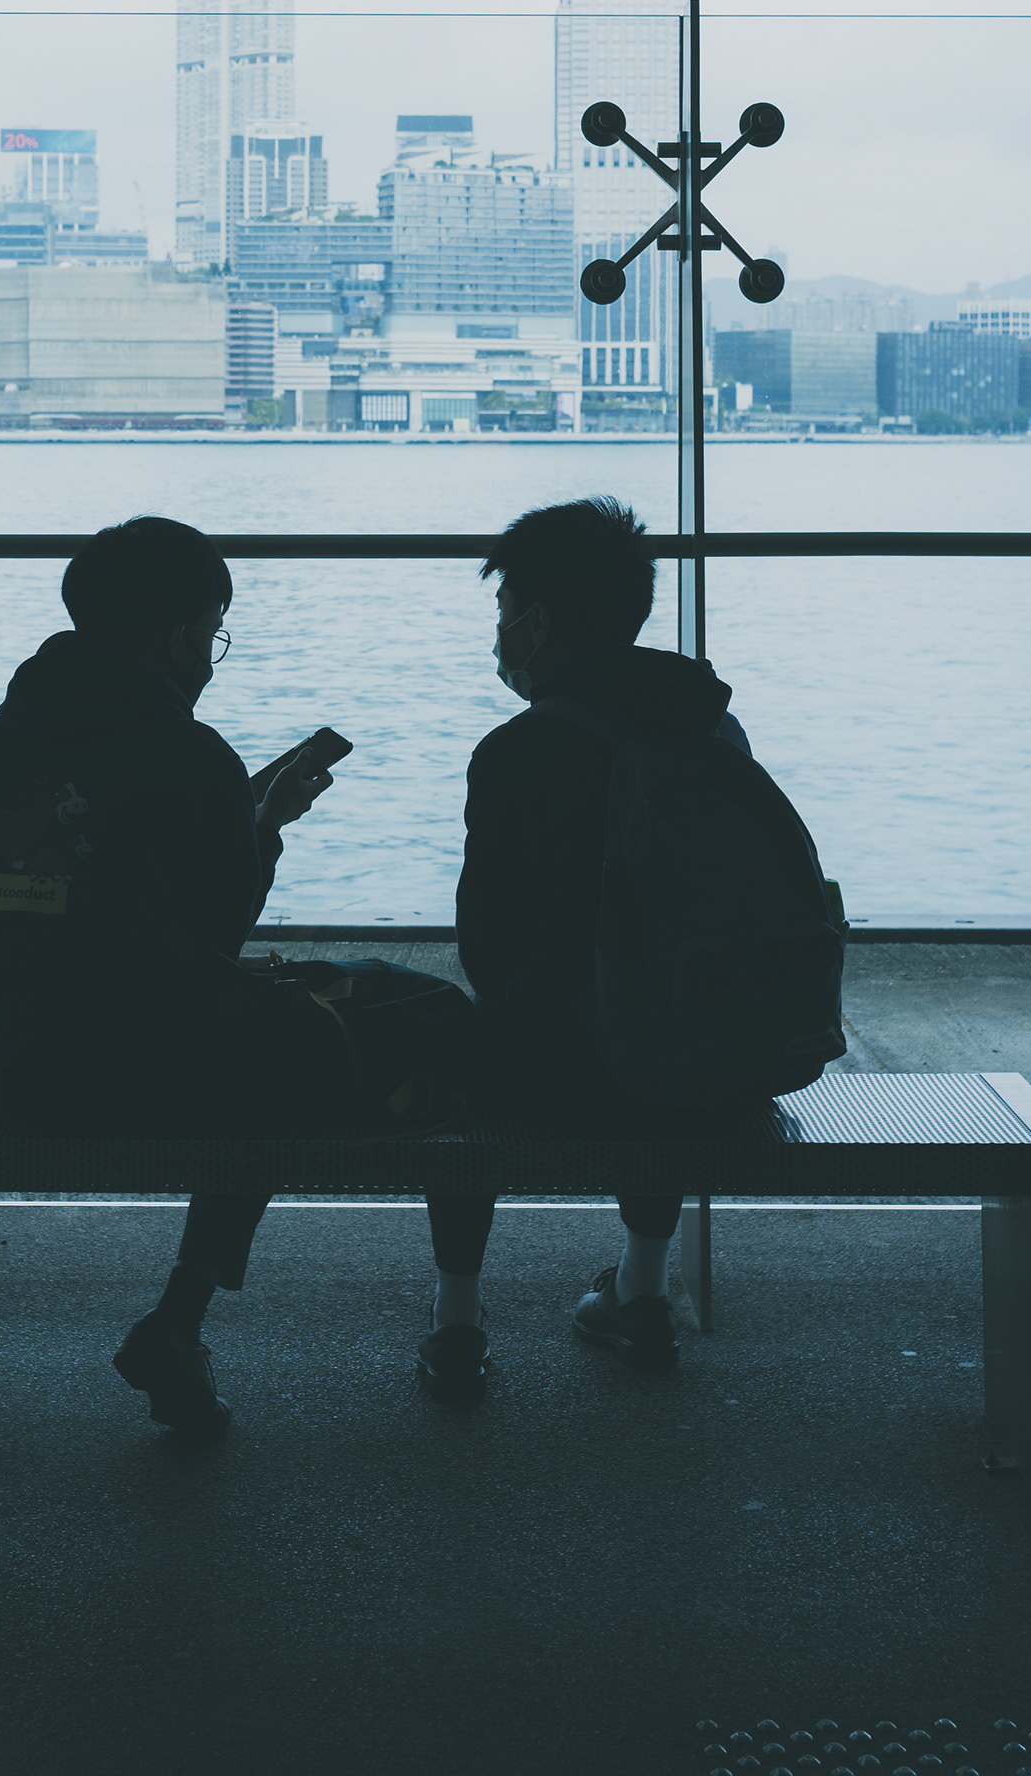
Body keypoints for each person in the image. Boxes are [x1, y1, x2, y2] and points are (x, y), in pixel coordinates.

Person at [0, 514, 338, 1440]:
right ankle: (180, 1315)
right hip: (141, 1066)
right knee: (295, 1056)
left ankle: (179, 1329)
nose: (208, 658)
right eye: (211, 636)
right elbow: (216, 939)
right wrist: (260, 826)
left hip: (10, 1054)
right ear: (173, 637)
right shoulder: (191, 759)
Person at [416, 496, 758, 1399]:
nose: (497, 637)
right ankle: (642, 1292)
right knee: (657, 1012)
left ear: (533, 623)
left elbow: (485, 946)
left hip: (559, 1069)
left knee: (457, 1041)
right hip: (711, 1062)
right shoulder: (711, 728)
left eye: (501, 615)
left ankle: (457, 1321)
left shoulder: (517, 752)